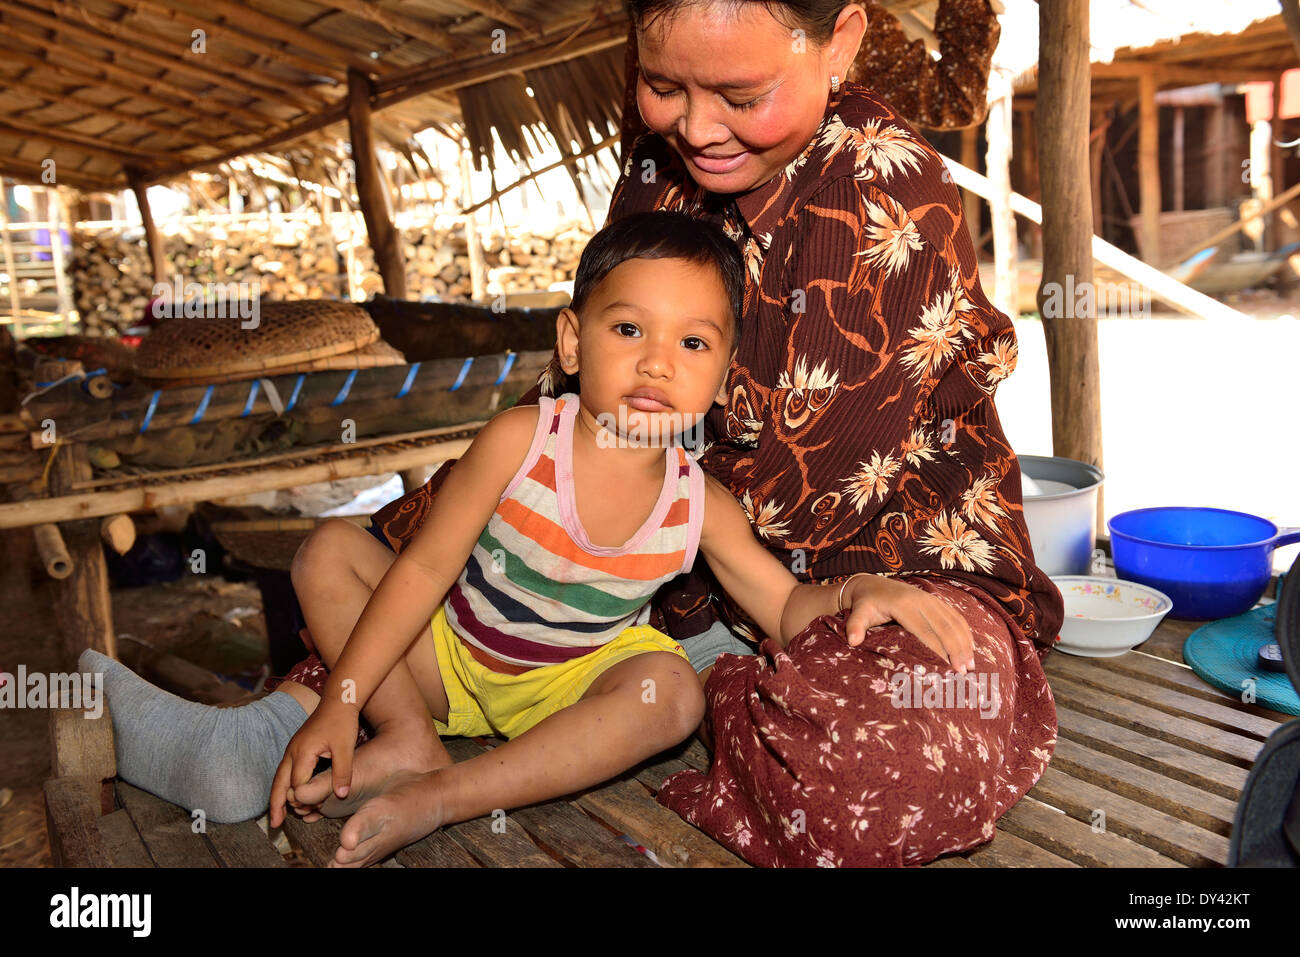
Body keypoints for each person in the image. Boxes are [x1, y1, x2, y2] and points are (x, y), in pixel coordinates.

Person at [355, 0, 1065, 867]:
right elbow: (583, 392)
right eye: (662, 86)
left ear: (840, 41)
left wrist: (834, 600)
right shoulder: (661, 165)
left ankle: (718, 687)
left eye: (738, 91)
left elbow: (803, 496)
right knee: (387, 607)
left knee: (880, 772)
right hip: (656, 557)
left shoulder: (890, 198)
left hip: (875, 563)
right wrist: (446, 524)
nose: (695, 126)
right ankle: (312, 724)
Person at [81, 211, 975, 867]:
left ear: (722, 374)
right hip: (450, 659)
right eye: (629, 329)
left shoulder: (697, 500)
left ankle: (447, 793)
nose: (659, 360)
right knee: (327, 551)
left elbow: (782, 604)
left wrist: (859, 591)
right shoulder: (524, 439)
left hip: (572, 688)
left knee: (671, 689)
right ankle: (405, 736)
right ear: (573, 342)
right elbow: (426, 566)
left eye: (694, 342)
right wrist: (345, 700)